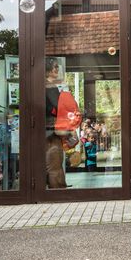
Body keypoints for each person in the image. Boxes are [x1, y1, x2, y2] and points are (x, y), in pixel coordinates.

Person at [45, 58, 81, 188]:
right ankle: (58, 192)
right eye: (55, 67)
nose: (57, 69)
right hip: (52, 130)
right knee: (55, 164)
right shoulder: (49, 87)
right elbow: (57, 109)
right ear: (47, 69)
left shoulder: (46, 86)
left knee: (53, 163)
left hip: (49, 129)